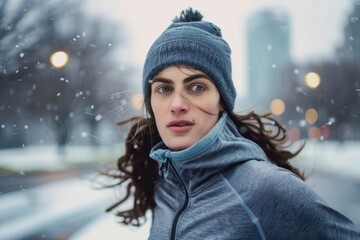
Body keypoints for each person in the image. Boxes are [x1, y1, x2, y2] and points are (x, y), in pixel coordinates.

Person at [103, 7, 360, 239]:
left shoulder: (267, 189)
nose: (177, 104)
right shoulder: (163, 182)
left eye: (196, 87)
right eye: (163, 89)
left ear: (222, 101)